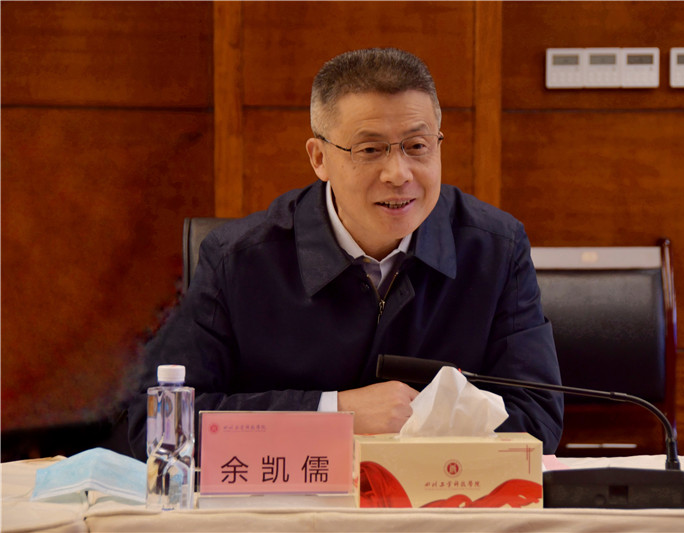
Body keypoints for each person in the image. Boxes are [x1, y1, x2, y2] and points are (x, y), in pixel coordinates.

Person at [127, 48, 563, 461]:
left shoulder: (495, 248)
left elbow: (537, 420)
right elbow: (159, 425)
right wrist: (335, 414)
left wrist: (415, 427)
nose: (399, 174)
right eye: (370, 150)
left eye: (417, 146)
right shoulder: (237, 260)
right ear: (319, 158)